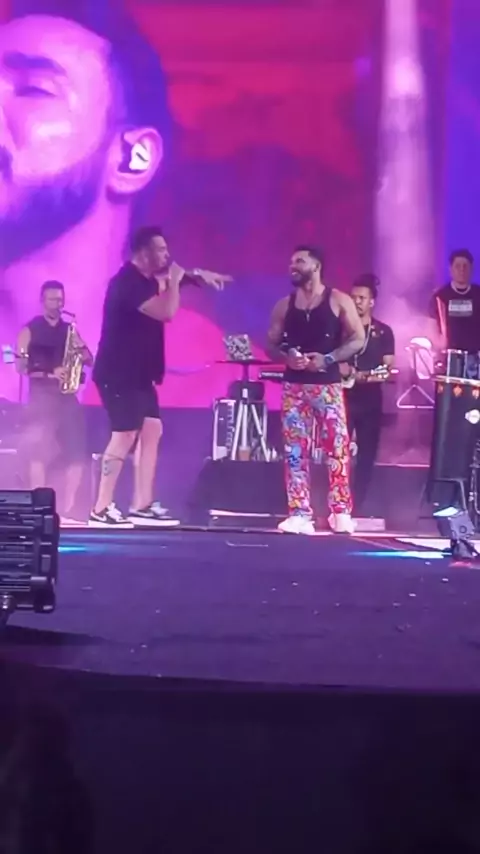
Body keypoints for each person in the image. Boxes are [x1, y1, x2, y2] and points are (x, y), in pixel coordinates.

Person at [90, 225, 231, 528]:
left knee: (152, 430)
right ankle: (100, 509)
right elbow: (167, 311)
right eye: (161, 250)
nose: (167, 255)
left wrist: (197, 276)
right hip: (118, 372)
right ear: (144, 253)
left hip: (140, 374)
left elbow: (172, 277)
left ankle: (141, 505)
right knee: (125, 434)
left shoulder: (146, 279)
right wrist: (177, 282)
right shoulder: (127, 283)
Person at [267, 245, 365, 535]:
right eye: (291, 261)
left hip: (328, 386)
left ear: (316, 266)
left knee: (337, 448)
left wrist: (329, 359)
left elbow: (358, 338)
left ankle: (340, 512)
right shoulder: (284, 305)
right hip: (294, 387)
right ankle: (299, 513)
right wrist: (286, 357)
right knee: (295, 451)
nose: (293, 266)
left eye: (299, 261)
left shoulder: (338, 300)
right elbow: (271, 342)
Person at [16, 281, 92, 521]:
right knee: (39, 452)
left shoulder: (70, 330)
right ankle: (39, 508)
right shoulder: (30, 330)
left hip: (67, 397)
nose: (58, 304)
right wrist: (51, 372)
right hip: (42, 398)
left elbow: (89, 360)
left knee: (77, 452)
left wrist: (82, 350)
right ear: (42, 301)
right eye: (53, 300)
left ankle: (69, 508)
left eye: (61, 300)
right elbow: (21, 367)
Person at [340, 274, 395, 516]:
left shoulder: (383, 332)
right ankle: (338, 502)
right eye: (353, 297)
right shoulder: (340, 330)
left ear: (372, 301)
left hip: (371, 400)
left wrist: (359, 376)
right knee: (338, 451)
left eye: (362, 298)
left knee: (366, 455)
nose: (357, 302)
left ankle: (358, 504)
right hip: (343, 398)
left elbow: (387, 370)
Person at [430, 249, 480, 354]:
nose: (462, 270)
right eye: (457, 266)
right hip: (449, 355)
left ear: (472, 269)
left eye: (465, 266)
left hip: (476, 355)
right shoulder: (440, 297)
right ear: (450, 269)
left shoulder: (478, 294)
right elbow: (432, 326)